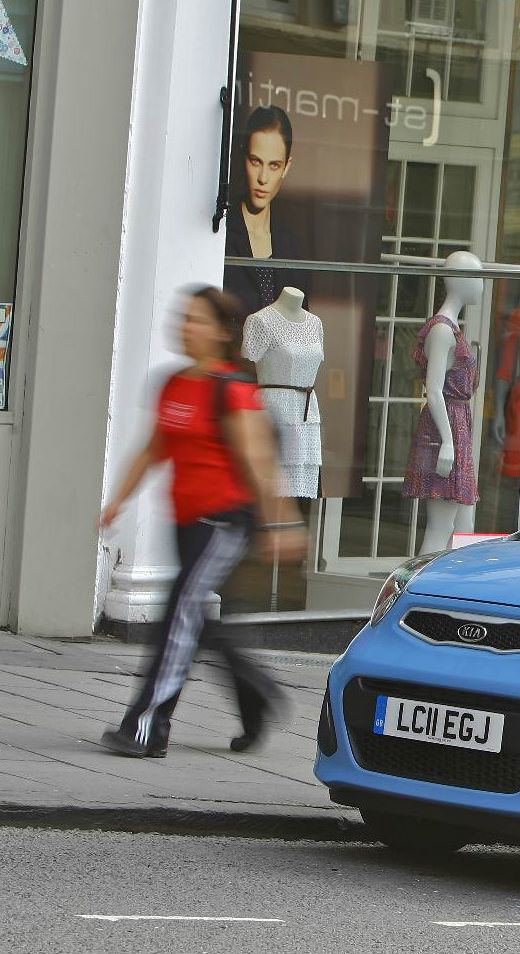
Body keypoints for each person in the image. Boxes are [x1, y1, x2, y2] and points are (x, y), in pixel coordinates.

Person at [98, 286, 307, 758]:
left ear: (219, 332)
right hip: (187, 522)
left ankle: (147, 727)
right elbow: (154, 448)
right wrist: (118, 502)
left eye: (196, 320)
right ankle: (256, 697)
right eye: (183, 317)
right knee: (195, 619)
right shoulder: (174, 383)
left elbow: (258, 463)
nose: (185, 326)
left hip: (226, 523)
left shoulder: (232, 390)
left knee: (177, 615)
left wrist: (282, 524)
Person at [224, 105, 310, 314]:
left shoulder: (292, 246)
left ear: (286, 167)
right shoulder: (222, 234)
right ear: (244, 158)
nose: (263, 178)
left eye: (274, 165)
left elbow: (301, 323)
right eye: (256, 161)